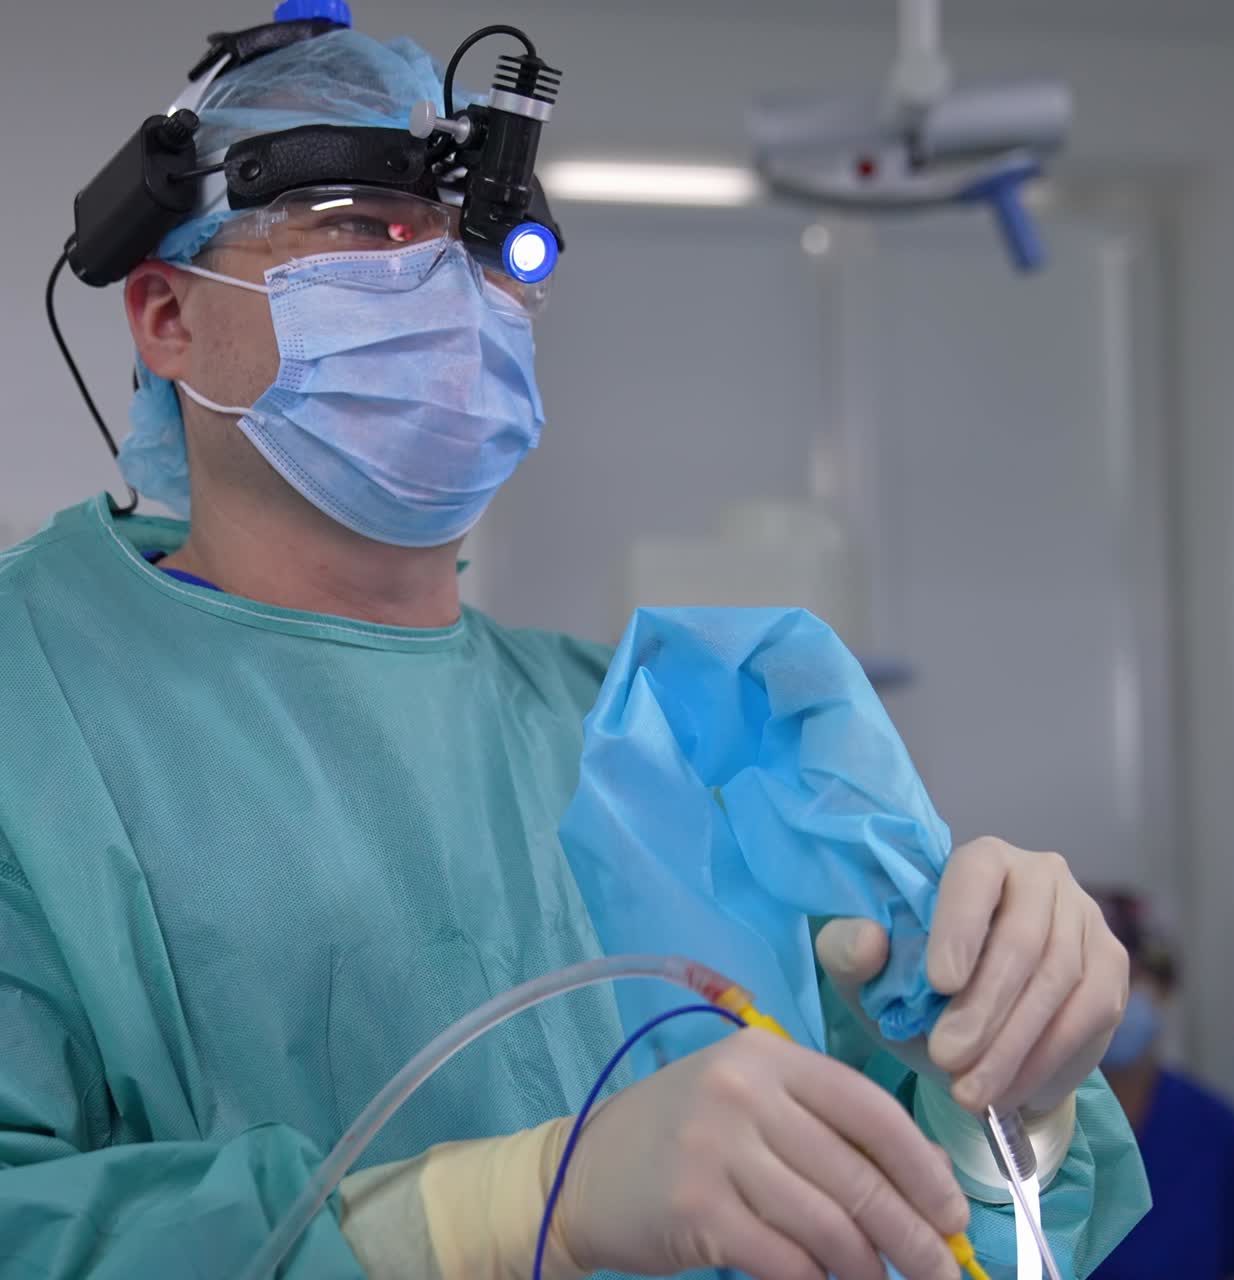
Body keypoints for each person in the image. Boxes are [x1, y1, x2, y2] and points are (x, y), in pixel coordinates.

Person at [0, 19, 1147, 1280]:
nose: (444, 282)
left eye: (486, 245)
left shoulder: (651, 732)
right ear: (166, 316)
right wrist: (477, 1210)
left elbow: (952, 1248)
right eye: (361, 225)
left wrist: (1001, 1098)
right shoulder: (33, 718)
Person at [1088, 891, 1234, 1280]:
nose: (1115, 998)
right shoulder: (1029, 1127)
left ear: (1164, 990)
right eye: (1097, 979)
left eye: (1131, 978)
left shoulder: (1218, 1130)